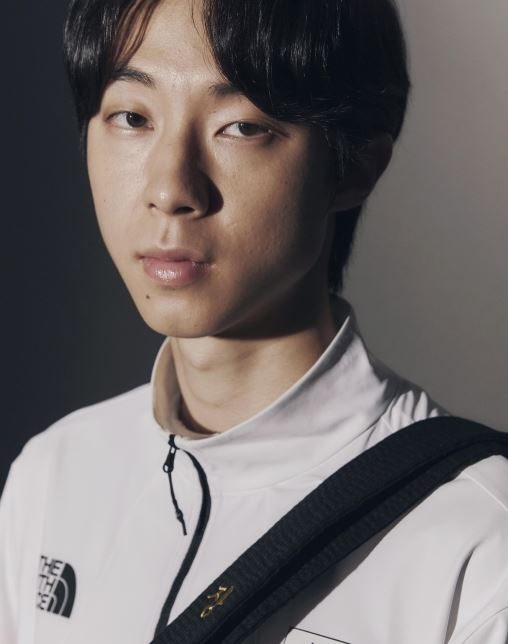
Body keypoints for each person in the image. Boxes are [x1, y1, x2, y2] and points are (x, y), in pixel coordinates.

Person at [1, 0, 507, 642]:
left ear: (354, 166)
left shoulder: (478, 536)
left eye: (241, 126)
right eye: (132, 117)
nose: (170, 189)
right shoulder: (55, 474)